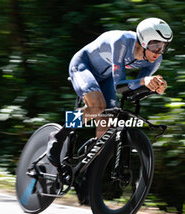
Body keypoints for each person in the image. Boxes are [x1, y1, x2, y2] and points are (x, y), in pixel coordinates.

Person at [47, 17, 173, 167]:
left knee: (106, 127)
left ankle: (86, 172)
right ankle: (59, 135)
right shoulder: (122, 42)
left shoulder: (155, 60)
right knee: (97, 107)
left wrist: (153, 88)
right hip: (83, 65)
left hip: (105, 77)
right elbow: (119, 85)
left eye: (164, 46)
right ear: (144, 41)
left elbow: (132, 93)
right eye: (155, 45)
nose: (159, 52)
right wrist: (143, 81)